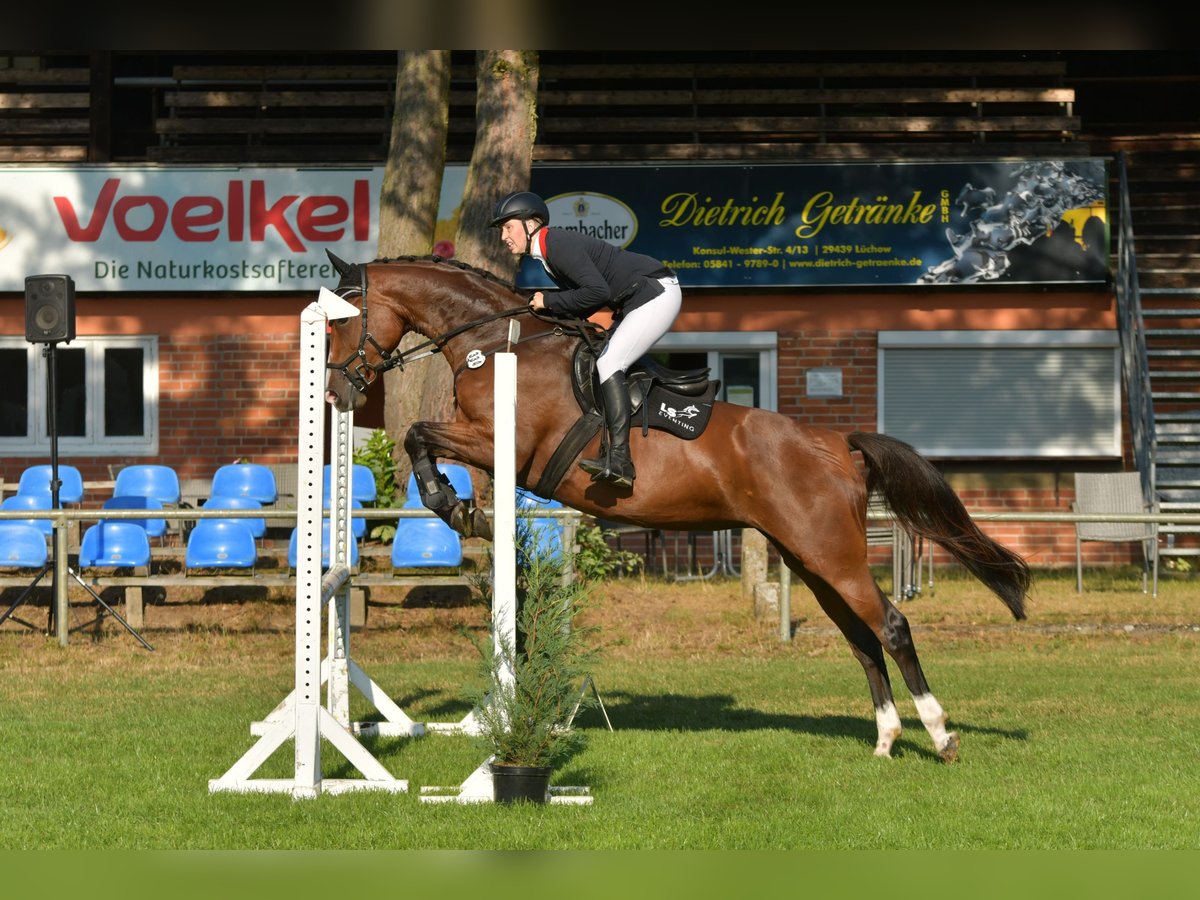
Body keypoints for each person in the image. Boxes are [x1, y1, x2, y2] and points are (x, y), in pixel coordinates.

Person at [491, 190, 682, 488]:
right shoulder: (545, 254)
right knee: (600, 360)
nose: (503, 236)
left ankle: (620, 460)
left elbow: (597, 293)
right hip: (637, 299)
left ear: (532, 224)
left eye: (508, 226)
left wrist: (550, 302)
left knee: (608, 362)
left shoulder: (555, 244)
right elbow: (589, 300)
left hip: (655, 294)